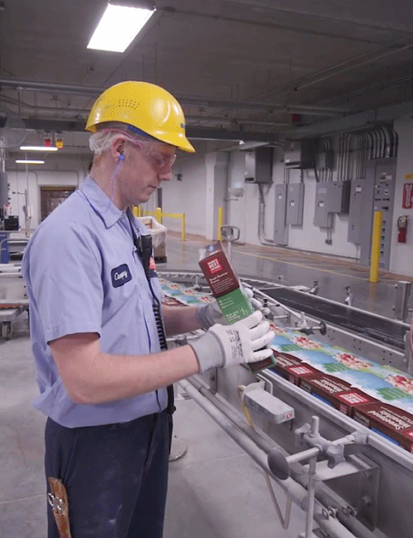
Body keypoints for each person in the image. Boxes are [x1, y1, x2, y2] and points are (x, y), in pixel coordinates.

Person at [21, 80, 275, 538]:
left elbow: (138, 319)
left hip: (149, 428)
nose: (166, 174)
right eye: (160, 158)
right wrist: (209, 352)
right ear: (119, 148)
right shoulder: (70, 237)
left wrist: (202, 319)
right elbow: (84, 378)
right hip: (96, 443)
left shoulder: (125, 227)